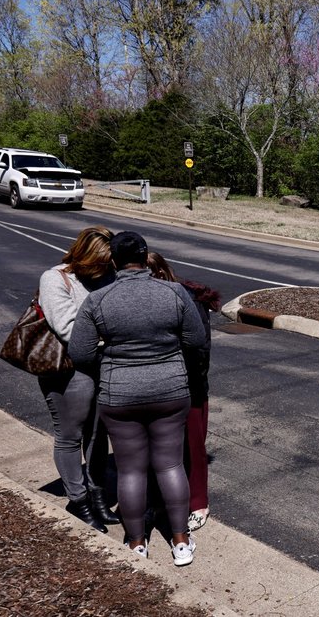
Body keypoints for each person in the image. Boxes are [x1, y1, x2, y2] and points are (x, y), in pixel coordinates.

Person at [68, 231, 206, 566]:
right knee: (171, 464)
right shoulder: (174, 293)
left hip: (121, 394)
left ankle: (136, 544)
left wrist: (113, 355)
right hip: (170, 390)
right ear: (146, 258)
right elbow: (197, 340)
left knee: (130, 471)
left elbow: (80, 353)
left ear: (113, 261)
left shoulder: (98, 300)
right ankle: (180, 541)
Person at [38, 225, 118, 533]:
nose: (104, 269)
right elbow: (69, 329)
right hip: (66, 368)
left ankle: (98, 498)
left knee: (98, 436)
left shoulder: (107, 276)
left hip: (101, 366)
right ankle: (78, 500)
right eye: (99, 262)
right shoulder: (56, 278)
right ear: (84, 256)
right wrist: (112, 336)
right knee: (70, 434)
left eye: (108, 263)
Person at [146, 252, 220, 531]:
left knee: (192, 446)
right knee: (164, 448)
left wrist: (190, 382)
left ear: (160, 274)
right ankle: (166, 499)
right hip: (161, 386)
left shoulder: (187, 300)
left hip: (190, 386)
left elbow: (201, 349)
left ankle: (198, 502)